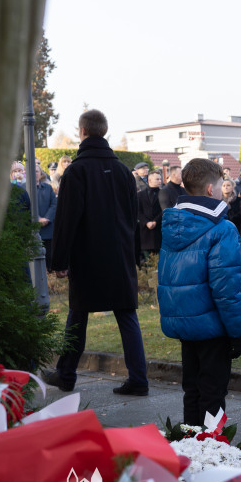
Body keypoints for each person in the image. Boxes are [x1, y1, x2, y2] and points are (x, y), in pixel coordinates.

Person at [46, 109, 148, 396]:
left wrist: (59, 260)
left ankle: (66, 373)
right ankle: (139, 379)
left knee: (78, 315)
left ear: (82, 132)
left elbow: (67, 220)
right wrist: (135, 254)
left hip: (88, 256)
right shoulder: (123, 172)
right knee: (127, 316)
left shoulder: (76, 171)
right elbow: (133, 218)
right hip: (120, 255)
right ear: (104, 132)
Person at [157, 158, 241, 425]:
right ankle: (213, 449)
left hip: (185, 322)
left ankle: (192, 448)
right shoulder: (223, 229)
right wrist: (236, 331)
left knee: (193, 390)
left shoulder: (173, 224)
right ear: (211, 189)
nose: (224, 187)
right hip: (213, 326)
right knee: (213, 392)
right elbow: (227, 287)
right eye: (222, 183)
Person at [137, 170, 164, 259]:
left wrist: (155, 221)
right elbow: (138, 211)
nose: (160, 181)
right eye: (157, 179)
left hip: (159, 232)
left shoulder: (163, 194)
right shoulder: (140, 195)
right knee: (147, 262)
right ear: (150, 180)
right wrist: (146, 222)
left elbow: (164, 210)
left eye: (160, 179)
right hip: (145, 233)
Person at [34, 164, 57, 266]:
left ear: (40, 173)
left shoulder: (48, 188)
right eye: (32, 171)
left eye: (37, 171)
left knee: (49, 257)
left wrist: (47, 218)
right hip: (33, 227)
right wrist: (37, 218)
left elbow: (54, 204)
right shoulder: (23, 188)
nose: (35, 174)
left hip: (48, 227)